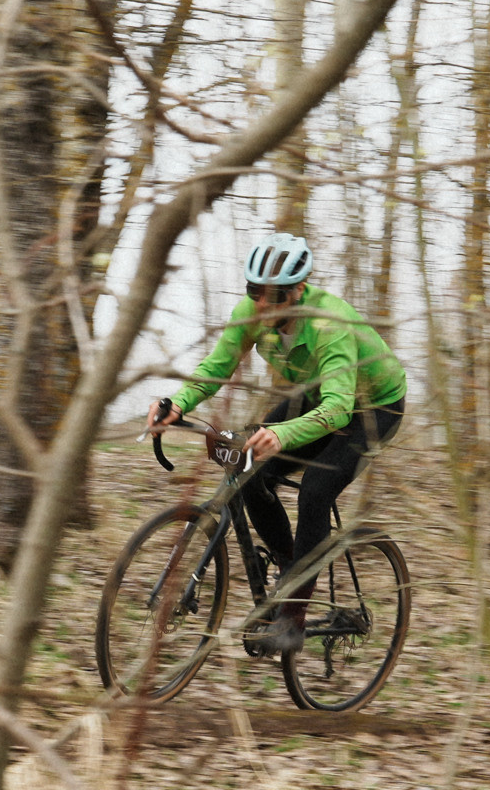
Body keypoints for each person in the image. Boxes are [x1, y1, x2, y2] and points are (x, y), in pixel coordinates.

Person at [148, 233, 408, 656]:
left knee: (316, 492)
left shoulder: (330, 325)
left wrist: (282, 434)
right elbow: (219, 366)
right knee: (247, 464)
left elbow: (339, 410)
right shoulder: (250, 313)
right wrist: (177, 403)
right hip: (316, 394)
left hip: (373, 408)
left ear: (299, 291)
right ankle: (290, 567)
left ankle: (293, 615)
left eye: (276, 295)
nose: (264, 304)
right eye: (255, 292)